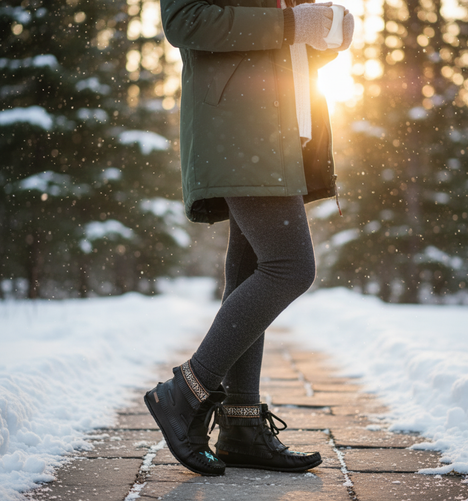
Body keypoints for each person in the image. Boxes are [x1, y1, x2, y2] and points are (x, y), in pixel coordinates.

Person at [144, 0, 354, 476]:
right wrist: (291, 23)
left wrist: (324, 37)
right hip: (242, 128)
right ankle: (185, 393)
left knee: (248, 273)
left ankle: (239, 424)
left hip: (282, 130)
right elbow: (185, 20)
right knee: (289, 267)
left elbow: (275, 46)